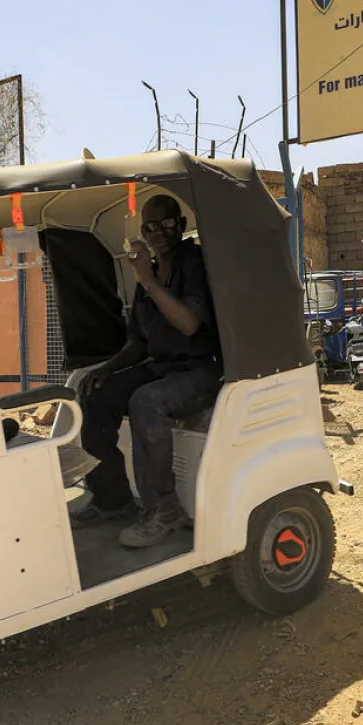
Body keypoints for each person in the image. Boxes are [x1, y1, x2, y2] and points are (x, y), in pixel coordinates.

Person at [70, 195, 222, 548]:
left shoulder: (193, 263)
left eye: (167, 224)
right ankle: (113, 499)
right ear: (143, 231)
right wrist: (106, 369)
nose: (159, 233)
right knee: (94, 393)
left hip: (199, 370)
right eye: (150, 227)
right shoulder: (149, 274)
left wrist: (148, 280)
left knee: (146, 401)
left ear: (181, 226)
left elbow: (189, 324)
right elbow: (139, 341)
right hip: (162, 367)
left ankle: (164, 509)